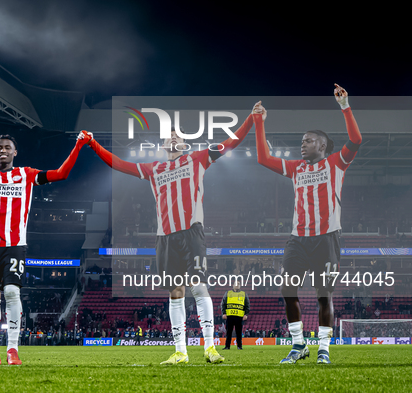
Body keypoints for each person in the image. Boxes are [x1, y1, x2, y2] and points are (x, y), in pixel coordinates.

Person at [85, 106, 256, 364]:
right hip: (165, 239)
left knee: (199, 287)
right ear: (163, 143)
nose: (174, 138)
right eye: (169, 135)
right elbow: (119, 164)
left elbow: (231, 143)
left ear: (185, 143)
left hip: (192, 234)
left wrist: (250, 119)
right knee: (175, 292)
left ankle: (210, 348)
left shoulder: (198, 158)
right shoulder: (154, 169)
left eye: (178, 135)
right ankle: (180, 352)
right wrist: (94, 144)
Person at [0, 115, 91, 365]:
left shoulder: (26, 175)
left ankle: (13, 349)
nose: (2, 151)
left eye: (7, 147)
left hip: (14, 243)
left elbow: (61, 174)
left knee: (11, 291)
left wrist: (77, 146)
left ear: (15, 152)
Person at [254, 84, 362, 365]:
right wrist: (258, 122)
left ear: (322, 145)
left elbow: (357, 140)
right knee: (287, 291)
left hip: (327, 238)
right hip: (297, 239)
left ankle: (323, 348)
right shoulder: (296, 168)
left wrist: (345, 106)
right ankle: (299, 344)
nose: (302, 143)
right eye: (302, 140)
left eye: (308, 140)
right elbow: (263, 158)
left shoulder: (337, 163)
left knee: (324, 296)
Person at [221, 281, 249, 350]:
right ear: (233, 285)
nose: (237, 285)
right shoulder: (228, 293)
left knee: (239, 332)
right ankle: (227, 346)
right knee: (228, 332)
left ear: (240, 286)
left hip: (239, 316)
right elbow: (223, 304)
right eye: (236, 284)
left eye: (238, 284)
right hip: (229, 316)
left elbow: (247, 305)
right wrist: (224, 313)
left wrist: (246, 314)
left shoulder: (244, 294)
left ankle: (239, 346)